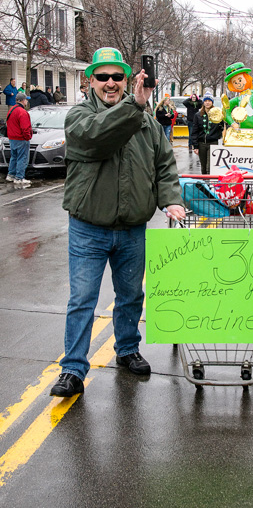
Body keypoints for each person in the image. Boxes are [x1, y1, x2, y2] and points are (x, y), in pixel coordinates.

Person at [49, 47, 185, 398]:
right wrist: (134, 106)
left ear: (127, 80)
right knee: (82, 299)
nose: (110, 83)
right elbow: (97, 137)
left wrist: (170, 199)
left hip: (132, 229)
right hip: (88, 228)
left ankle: (126, 349)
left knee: (130, 296)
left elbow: (164, 163)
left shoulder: (146, 120)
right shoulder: (80, 116)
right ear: (90, 80)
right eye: (102, 77)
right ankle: (73, 369)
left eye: (117, 77)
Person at [5, 92, 33, 187]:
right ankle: (19, 177)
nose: (27, 101)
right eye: (26, 100)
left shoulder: (11, 110)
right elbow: (25, 127)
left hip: (12, 137)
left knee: (14, 157)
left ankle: (11, 174)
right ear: (23, 100)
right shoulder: (22, 112)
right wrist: (27, 137)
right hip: (21, 138)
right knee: (22, 158)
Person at [192, 94, 224, 174]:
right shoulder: (198, 115)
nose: (207, 103)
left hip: (213, 142)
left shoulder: (217, 114)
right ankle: (204, 184)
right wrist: (195, 146)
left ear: (212, 102)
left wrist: (218, 134)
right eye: (205, 101)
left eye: (209, 101)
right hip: (201, 143)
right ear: (203, 103)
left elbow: (223, 126)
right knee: (203, 166)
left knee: (210, 166)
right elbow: (195, 131)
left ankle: (210, 184)